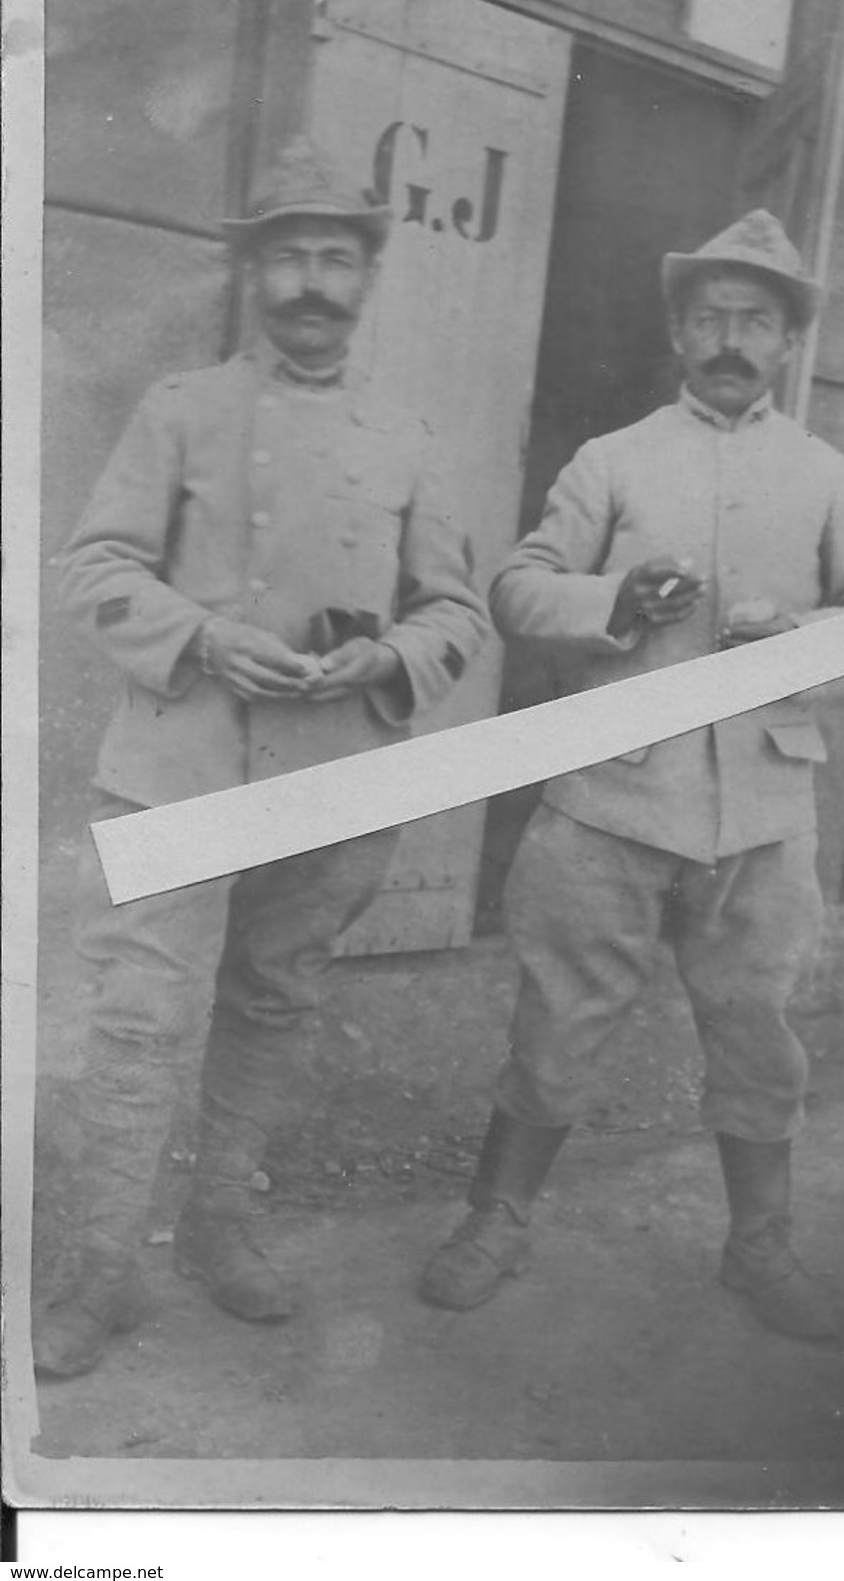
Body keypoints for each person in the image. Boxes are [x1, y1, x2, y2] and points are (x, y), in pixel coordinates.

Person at [421, 209, 844, 1343]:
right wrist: (613, 602)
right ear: (678, 334)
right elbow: (517, 587)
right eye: (710, 319)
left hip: (760, 812)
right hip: (609, 801)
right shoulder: (615, 459)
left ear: (788, 342)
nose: (731, 339)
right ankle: (495, 1219)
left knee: (757, 1031)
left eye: (755, 320)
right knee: (557, 1016)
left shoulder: (829, 476)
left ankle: (761, 1245)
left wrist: (792, 633)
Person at [34, 138, 489, 1379]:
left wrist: (387, 660)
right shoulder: (183, 409)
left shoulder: (405, 434)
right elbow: (93, 569)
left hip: (338, 776)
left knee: (274, 1007)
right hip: (180, 766)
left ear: (367, 278)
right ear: (253, 273)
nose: (310, 280)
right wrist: (205, 637)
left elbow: (457, 611)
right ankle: (97, 1274)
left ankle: (222, 1231)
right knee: (138, 1024)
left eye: (336, 257)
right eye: (288, 253)